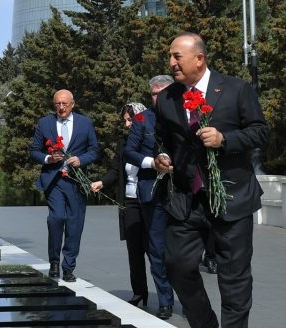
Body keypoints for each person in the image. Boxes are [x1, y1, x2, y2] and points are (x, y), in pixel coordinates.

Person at [153, 32, 268, 328]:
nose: (171, 63)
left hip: (232, 198)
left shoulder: (236, 89)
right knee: (176, 264)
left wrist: (224, 139)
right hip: (187, 201)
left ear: (199, 59)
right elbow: (163, 138)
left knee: (234, 277)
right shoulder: (167, 98)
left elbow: (259, 132)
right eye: (170, 56)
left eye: (177, 56)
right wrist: (162, 156)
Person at [30, 89, 100, 283]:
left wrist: (81, 159)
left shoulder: (85, 123)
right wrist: (48, 158)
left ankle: (68, 266)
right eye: (57, 104)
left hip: (77, 182)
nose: (61, 108)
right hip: (54, 181)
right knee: (56, 218)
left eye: (64, 104)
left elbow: (94, 150)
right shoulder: (45, 123)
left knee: (74, 224)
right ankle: (54, 262)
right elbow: (34, 151)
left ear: (73, 104)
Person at [124, 75, 175, 319]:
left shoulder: (186, 114)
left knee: (183, 252)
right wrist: (151, 163)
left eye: (162, 93)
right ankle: (165, 301)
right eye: (154, 94)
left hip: (183, 192)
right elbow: (129, 151)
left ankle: (189, 296)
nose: (158, 98)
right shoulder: (142, 119)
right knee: (156, 249)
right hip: (152, 193)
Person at [90, 102, 150, 308]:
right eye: (124, 120)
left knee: (156, 251)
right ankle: (139, 292)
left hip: (151, 201)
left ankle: (166, 296)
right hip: (131, 201)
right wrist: (102, 182)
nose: (126, 124)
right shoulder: (123, 142)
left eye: (130, 119)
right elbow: (116, 170)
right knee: (134, 250)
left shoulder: (152, 139)